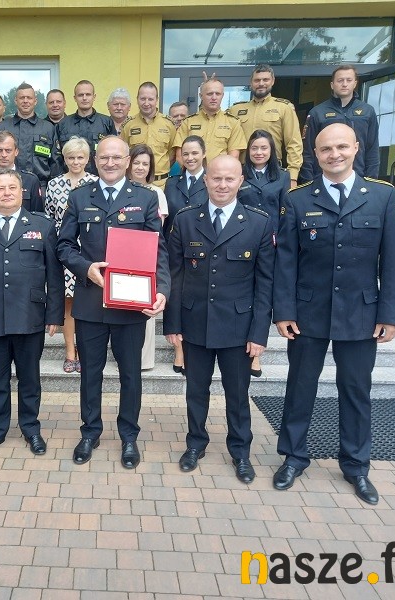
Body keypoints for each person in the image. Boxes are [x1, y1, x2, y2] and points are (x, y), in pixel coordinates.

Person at [273, 123, 395, 505]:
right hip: (308, 312)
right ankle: (294, 457)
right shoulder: (298, 199)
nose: (335, 154)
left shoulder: (382, 196)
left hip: (361, 313)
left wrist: (390, 314)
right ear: (315, 154)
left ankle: (356, 466)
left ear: (356, 148)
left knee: (356, 390)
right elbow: (286, 261)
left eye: (342, 147)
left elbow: (392, 261)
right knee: (300, 387)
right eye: (326, 149)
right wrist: (284, 310)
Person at [57, 136, 170, 469]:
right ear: (95, 160)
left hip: (131, 304)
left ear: (127, 160)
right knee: (90, 374)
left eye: (117, 157)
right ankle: (90, 432)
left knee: (130, 374)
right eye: (104, 157)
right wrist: (85, 268)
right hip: (91, 302)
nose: (110, 163)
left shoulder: (146, 198)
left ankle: (129, 436)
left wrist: (162, 290)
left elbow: (158, 249)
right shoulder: (80, 197)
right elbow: (64, 246)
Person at [164, 155, 274, 483]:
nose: (222, 185)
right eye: (216, 178)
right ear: (205, 180)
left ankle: (240, 451)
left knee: (237, 395)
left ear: (241, 181)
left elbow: (265, 283)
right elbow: (175, 275)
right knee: (195, 392)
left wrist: (259, 334)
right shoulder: (186, 220)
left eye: (229, 179)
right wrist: (173, 324)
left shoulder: (258, 223)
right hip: (194, 323)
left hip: (238, 328)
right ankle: (195, 444)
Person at [0, 169, 65, 457]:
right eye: (0, 188)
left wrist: (54, 315)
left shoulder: (42, 225)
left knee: (29, 379)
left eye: (12, 187)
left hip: (29, 315)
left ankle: (31, 429)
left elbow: (54, 274)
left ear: (22, 192)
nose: (7, 193)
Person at [237, 129, 291, 378]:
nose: (259, 152)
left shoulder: (282, 176)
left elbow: (285, 211)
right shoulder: (241, 174)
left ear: (271, 151)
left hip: (271, 243)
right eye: (254, 148)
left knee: (263, 294)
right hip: (242, 242)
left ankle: (256, 355)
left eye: (263, 148)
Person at [45, 136, 99, 374]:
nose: (76, 162)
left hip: (90, 249)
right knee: (68, 303)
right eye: (71, 157)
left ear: (88, 159)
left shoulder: (96, 182)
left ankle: (88, 352)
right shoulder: (54, 184)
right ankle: (70, 351)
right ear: (64, 159)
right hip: (64, 248)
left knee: (89, 301)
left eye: (80, 157)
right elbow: (49, 217)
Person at [164, 135, 209, 377]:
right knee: (176, 296)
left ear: (204, 154)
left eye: (194, 153)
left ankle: (195, 347)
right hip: (175, 249)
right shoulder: (172, 183)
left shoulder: (211, 180)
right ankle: (179, 350)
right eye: (186, 154)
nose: (190, 158)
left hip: (202, 250)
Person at [127, 144, 169, 372]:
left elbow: (156, 232)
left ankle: (144, 361)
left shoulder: (156, 193)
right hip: (121, 256)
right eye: (137, 162)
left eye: (145, 163)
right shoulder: (120, 188)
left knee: (145, 309)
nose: (140, 167)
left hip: (146, 256)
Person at [300, 65, 380, 183]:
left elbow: (372, 149)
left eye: (349, 80)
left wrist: (371, 181)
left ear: (355, 83)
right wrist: (308, 182)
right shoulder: (317, 113)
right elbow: (308, 151)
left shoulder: (368, 111)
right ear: (332, 85)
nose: (344, 84)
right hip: (323, 179)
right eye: (340, 80)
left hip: (359, 178)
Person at [227, 65, 302, 185]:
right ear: (251, 82)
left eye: (265, 80)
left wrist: (293, 176)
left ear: (273, 81)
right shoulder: (235, 110)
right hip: (242, 171)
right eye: (257, 80)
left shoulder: (284, 108)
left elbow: (294, 143)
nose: (261, 83)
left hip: (272, 170)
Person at [0, 82, 61, 189]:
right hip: (8, 186)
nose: (25, 101)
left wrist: (53, 187)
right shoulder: (3, 127)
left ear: (35, 101)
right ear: (16, 101)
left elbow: (55, 162)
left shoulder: (48, 128)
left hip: (41, 186)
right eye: (22, 98)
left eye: (29, 98)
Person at [174, 79, 246, 164]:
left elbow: (233, 156)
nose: (214, 98)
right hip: (193, 171)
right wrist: (193, 171)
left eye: (218, 94)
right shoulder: (188, 122)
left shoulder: (233, 122)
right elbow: (180, 155)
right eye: (209, 94)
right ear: (201, 96)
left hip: (221, 171)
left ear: (222, 95)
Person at [120, 82, 176, 185]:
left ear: (157, 100)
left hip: (161, 183)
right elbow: (123, 153)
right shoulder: (128, 125)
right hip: (135, 184)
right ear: (137, 99)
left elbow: (172, 154)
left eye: (150, 99)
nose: (146, 103)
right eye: (143, 99)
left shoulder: (169, 124)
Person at [56, 80, 117, 174]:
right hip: (70, 179)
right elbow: (57, 157)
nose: (84, 98)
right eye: (80, 95)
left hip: (99, 178)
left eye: (88, 94)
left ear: (94, 97)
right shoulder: (63, 124)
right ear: (75, 98)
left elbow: (114, 152)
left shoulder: (106, 122)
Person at [167, 101, 189, 178]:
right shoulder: (163, 136)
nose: (179, 118)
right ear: (169, 118)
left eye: (183, 115)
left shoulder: (193, 136)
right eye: (175, 116)